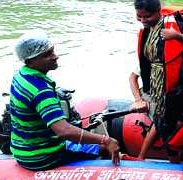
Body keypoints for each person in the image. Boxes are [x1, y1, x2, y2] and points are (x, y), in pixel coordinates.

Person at [10, 29, 120, 170]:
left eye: (53, 51)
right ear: (31, 60)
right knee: (104, 148)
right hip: (44, 156)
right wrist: (106, 140)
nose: (55, 57)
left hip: (22, 150)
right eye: (47, 55)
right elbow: (64, 131)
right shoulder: (40, 91)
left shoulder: (20, 76)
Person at [129, 0, 183, 160]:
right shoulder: (146, 31)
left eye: (147, 17)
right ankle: (142, 157)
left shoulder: (174, 23)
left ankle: (175, 163)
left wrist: (177, 36)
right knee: (161, 122)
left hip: (179, 89)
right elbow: (133, 75)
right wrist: (139, 98)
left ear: (158, 11)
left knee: (169, 129)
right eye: (139, 17)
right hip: (156, 88)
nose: (143, 21)